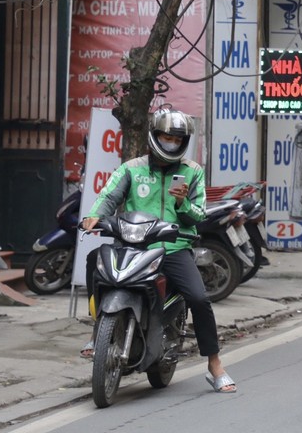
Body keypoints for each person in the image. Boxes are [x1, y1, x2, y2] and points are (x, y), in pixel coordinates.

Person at [80, 109, 236, 393]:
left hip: (173, 248)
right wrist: (93, 216)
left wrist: (182, 204)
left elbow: (199, 215)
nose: (171, 143)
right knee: (96, 263)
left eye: (177, 139)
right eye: (166, 136)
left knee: (199, 299)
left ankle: (214, 364)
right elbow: (109, 195)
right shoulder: (131, 168)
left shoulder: (192, 172)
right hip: (132, 246)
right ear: (155, 136)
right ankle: (97, 334)